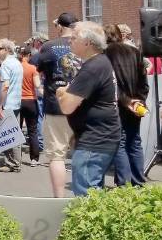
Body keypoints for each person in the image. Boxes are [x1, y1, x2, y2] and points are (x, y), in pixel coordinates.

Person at [57, 22, 121, 196]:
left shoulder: (93, 67)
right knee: (94, 195)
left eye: (74, 37)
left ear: (87, 43)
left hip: (94, 141)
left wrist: (61, 92)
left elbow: (67, 107)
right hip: (99, 137)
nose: (69, 41)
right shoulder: (99, 63)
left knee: (86, 198)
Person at [35, 12, 81, 197]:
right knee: (81, 154)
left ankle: (59, 199)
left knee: (57, 155)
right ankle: (84, 197)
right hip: (81, 103)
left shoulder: (49, 46)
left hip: (57, 104)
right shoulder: (85, 44)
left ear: (60, 27)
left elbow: (38, 69)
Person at [103, 25, 149, 187]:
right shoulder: (136, 53)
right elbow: (144, 82)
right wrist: (139, 101)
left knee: (120, 142)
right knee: (134, 141)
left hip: (117, 103)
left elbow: (110, 84)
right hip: (136, 103)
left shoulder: (105, 54)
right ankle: (138, 181)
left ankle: (124, 183)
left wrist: (125, 100)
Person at [0, 38, 24, 171]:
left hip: (7, 103)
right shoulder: (16, 62)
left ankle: (12, 163)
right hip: (16, 101)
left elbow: (5, 86)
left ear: (6, 50)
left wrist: (0, 106)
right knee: (14, 133)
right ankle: (16, 162)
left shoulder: (6, 64)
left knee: (6, 135)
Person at [19, 48, 42, 167]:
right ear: (28, 55)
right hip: (31, 101)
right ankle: (34, 159)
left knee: (16, 131)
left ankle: (16, 159)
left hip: (18, 101)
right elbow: (37, 85)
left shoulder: (16, 68)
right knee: (32, 130)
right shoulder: (33, 68)